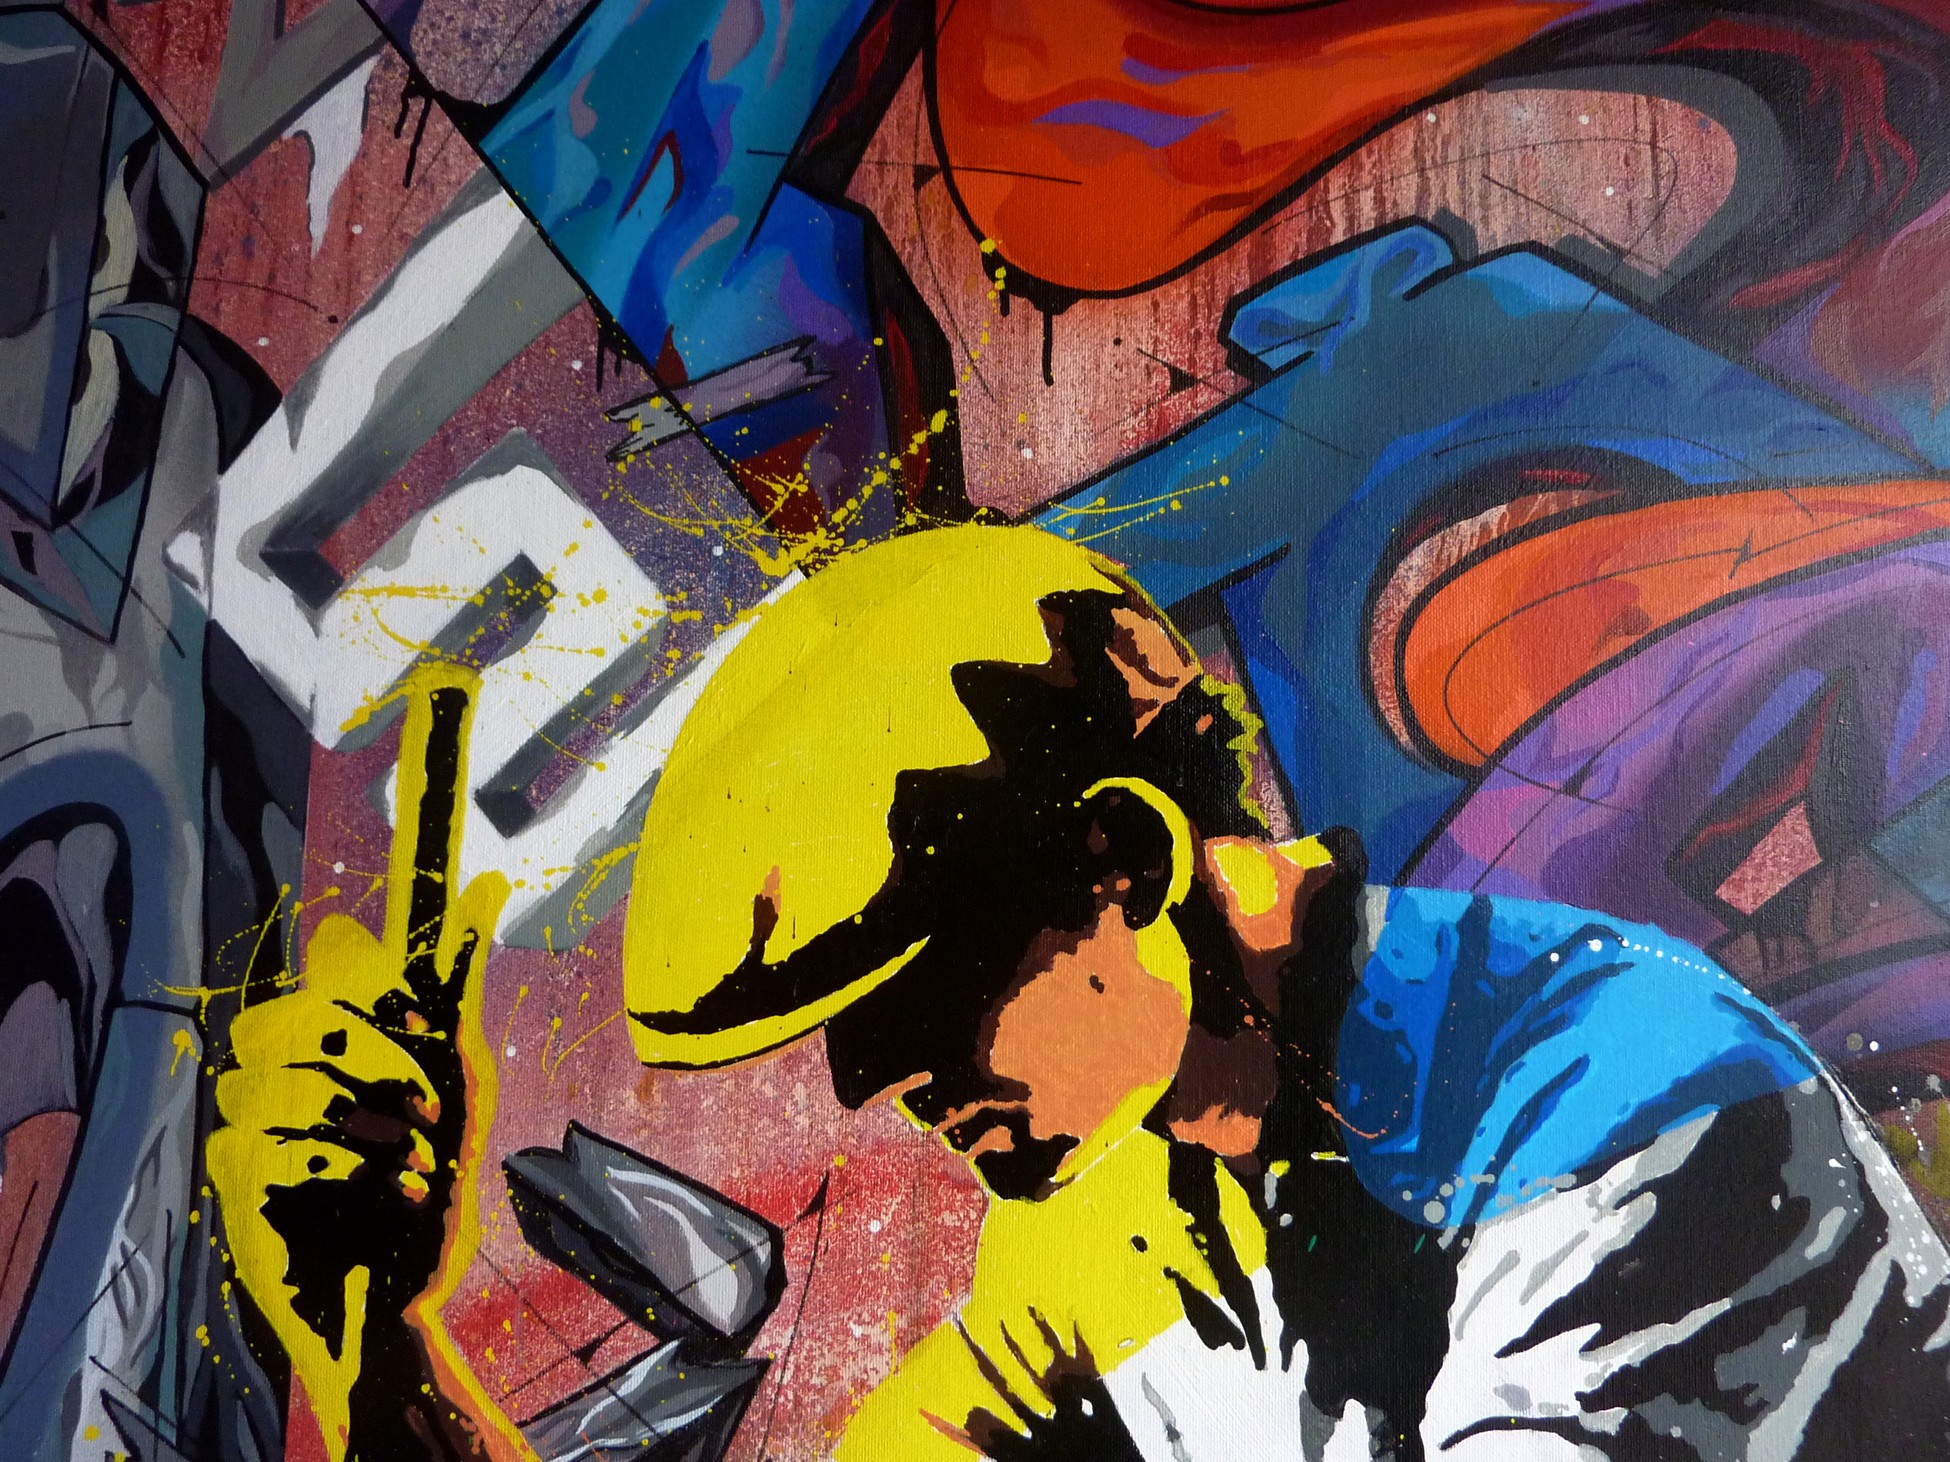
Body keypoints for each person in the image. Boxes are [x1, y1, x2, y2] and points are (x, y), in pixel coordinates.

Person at [214, 525, 1950, 1460]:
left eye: (919, 998)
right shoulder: (1146, 1226)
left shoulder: (1633, 1122)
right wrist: (376, 1349)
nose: (879, 1084)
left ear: (1118, 861)